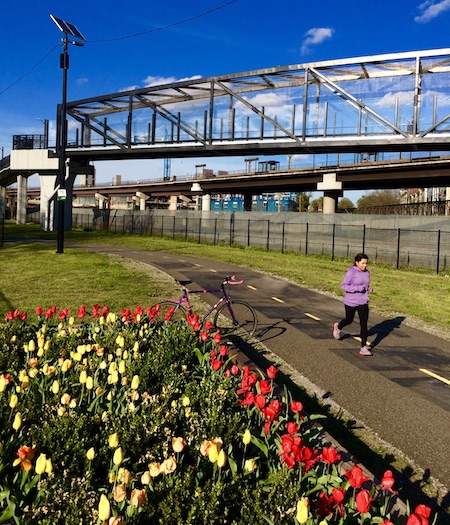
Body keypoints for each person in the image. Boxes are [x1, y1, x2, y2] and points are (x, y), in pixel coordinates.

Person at [333, 253, 373, 356]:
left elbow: (365, 285)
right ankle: (338, 327)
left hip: (363, 301)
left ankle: (363, 347)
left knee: (363, 323)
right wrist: (356, 289)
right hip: (351, 301)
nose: (365, 265)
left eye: (366, 263)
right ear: (357, 263)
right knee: (349, 320)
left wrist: (368, 289)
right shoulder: (351, 272)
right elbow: (344, 286)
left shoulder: (367, 273)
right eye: (363, 263)